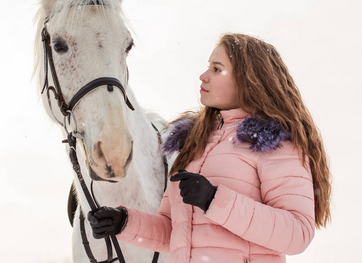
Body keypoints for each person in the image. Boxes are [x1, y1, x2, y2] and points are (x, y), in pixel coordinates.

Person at [87, 33, 332, 262]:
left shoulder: (273, 144)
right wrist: (124, 223)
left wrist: (214, 199)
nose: (203, 75)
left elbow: (297, 234)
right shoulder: (195, 144)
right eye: (208, 66)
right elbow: (176, 233)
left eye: (217, 69)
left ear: (248, 81)